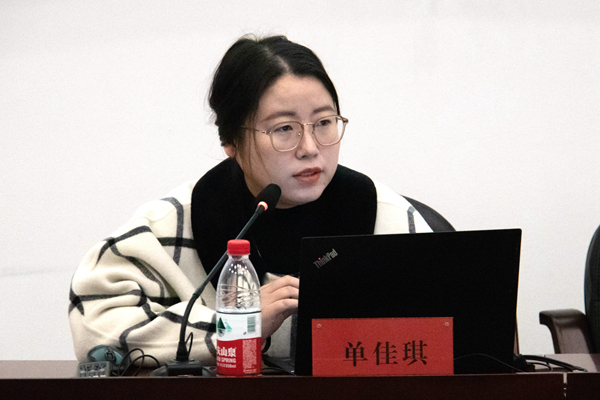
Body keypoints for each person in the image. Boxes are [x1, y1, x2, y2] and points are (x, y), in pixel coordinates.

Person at [68, 35, 434, 365]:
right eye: (284, 129)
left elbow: (452, 329)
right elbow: (96, 331)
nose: (310, 148)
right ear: (230, 141)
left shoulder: (389, 219)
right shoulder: (170, 227)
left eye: (324, 123)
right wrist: (236, 326)